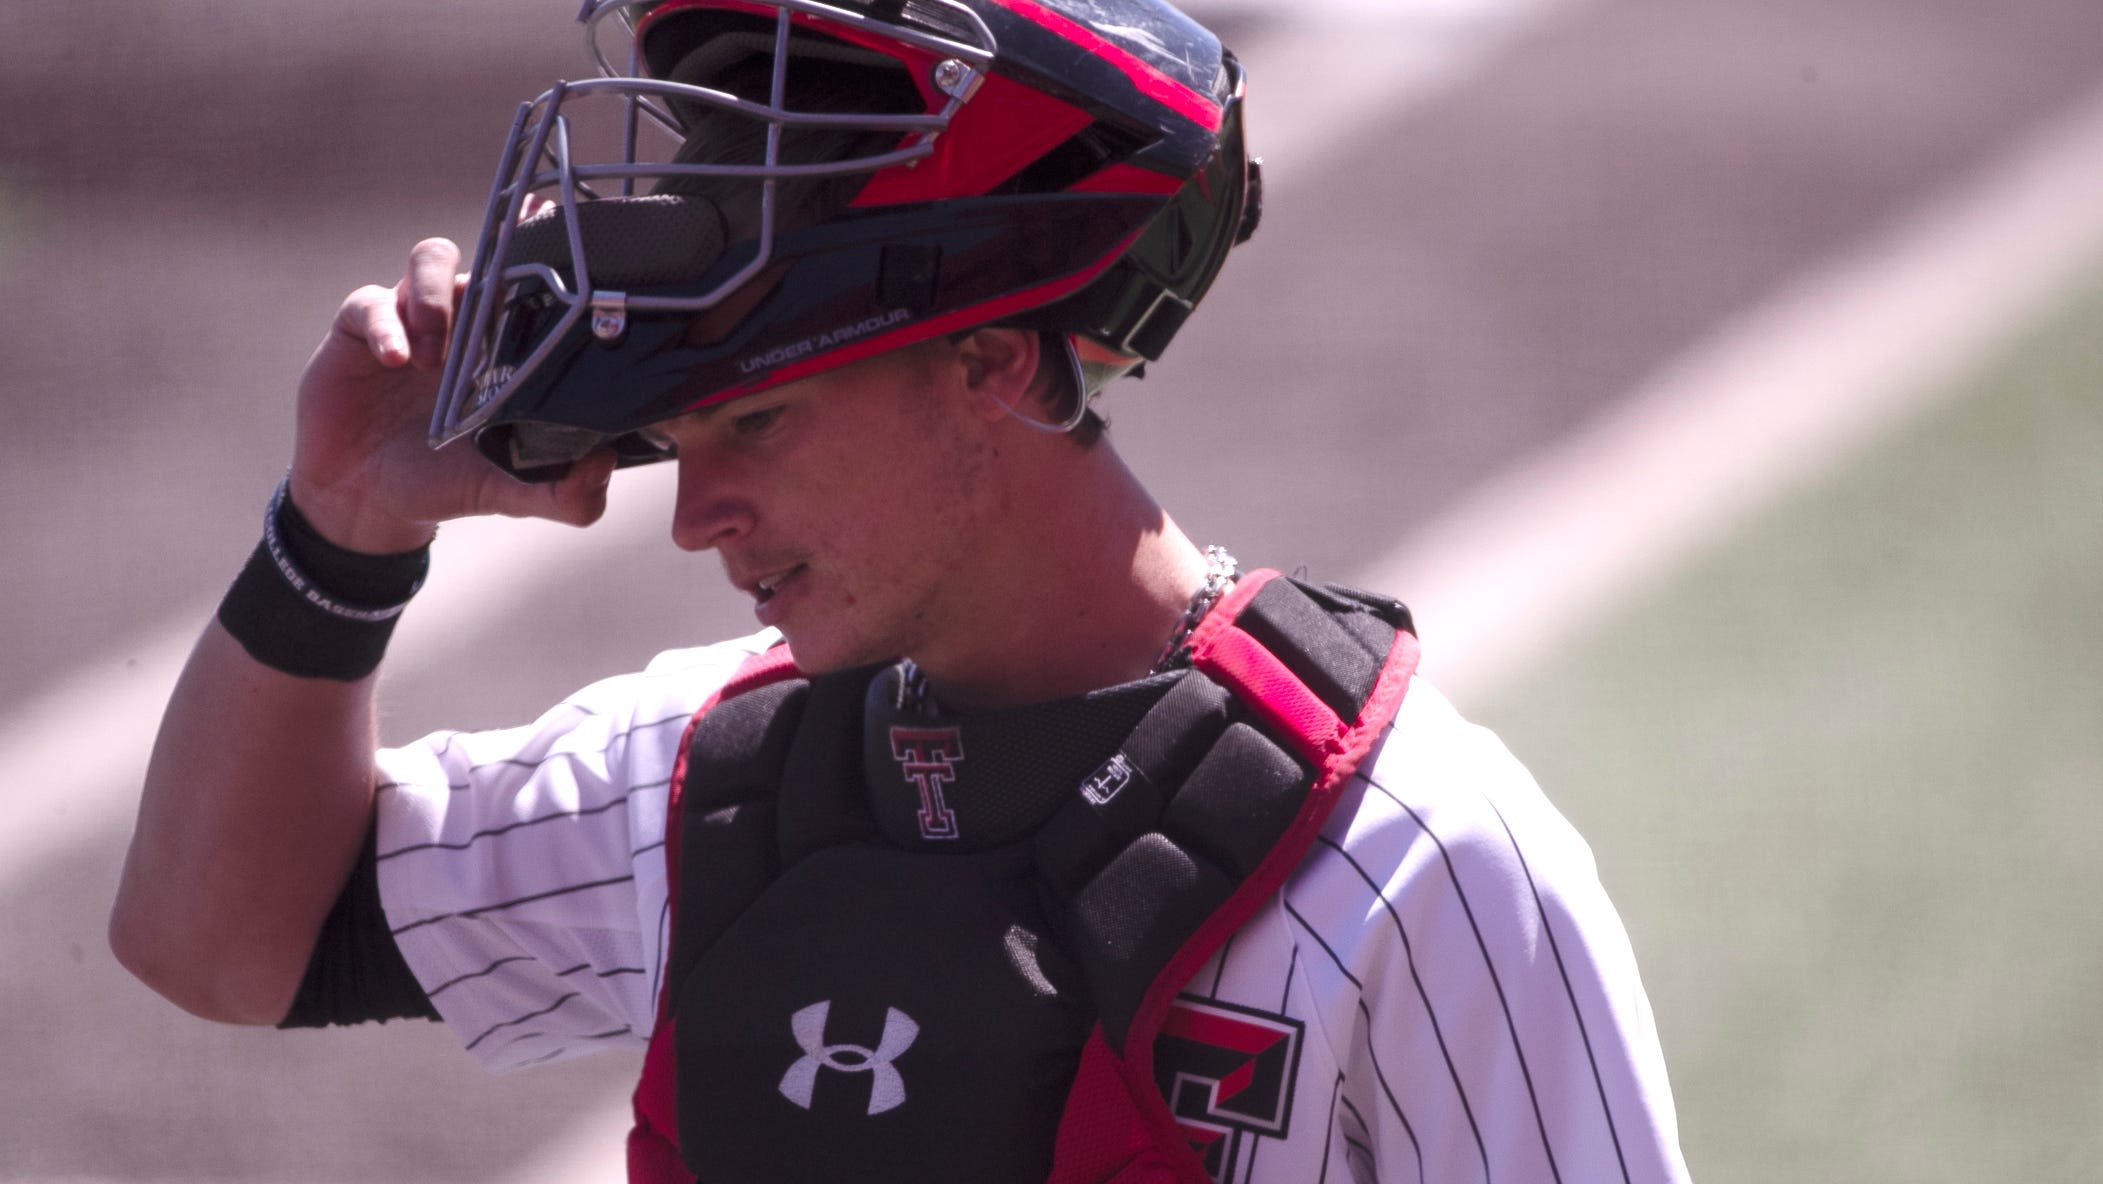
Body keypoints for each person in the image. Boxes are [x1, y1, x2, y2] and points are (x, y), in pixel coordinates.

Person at [112, 1, 1691, 1180]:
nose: (696, 512)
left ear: (994, 362)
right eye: (675, 433)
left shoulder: (1418, 859)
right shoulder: (711, 784)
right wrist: (339, 536)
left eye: (755, 418)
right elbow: (222, 941)